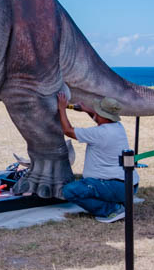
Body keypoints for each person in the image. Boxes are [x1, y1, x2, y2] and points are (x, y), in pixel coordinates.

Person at [57, 92, 137, 223]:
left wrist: (61, 108)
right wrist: (86, 110)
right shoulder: (117, 126)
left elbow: (68, 130)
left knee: (70, 191)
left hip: (116, 186)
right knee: (86, 185)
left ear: (102, 116)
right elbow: (99, 118)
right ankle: (118, 201)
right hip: (129, 186)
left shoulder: (98, 133)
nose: (95, 113)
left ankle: (112, 210)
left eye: (97, 112)